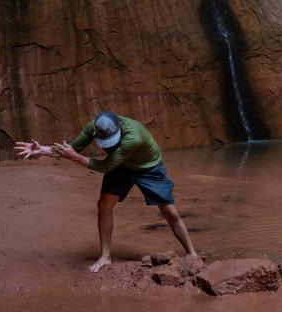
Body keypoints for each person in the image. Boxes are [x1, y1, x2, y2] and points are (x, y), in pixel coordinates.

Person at [13, 111, 197, 273]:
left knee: (170, 212)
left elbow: (105, 166)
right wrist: (41, 150)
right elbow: (72, 149)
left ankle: (192, 255)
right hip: (121, 166)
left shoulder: (134, 136)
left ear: (120, 126)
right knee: (104, 205)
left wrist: (75, 158)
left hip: (148, 167)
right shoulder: (95, 126)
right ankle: (105, 257)